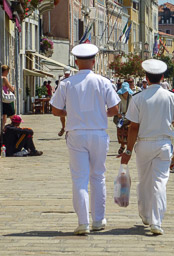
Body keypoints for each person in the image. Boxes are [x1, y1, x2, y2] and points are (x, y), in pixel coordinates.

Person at [51, 43, 120, 235]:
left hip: (76, 133)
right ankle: (98, 220)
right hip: (98, 132)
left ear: (75, 62)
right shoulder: (104, 82)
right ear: (94, 61)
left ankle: (83, 222)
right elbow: (114, 109)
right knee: (98, 176)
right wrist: (98, 114)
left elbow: (55, 110)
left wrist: (71, 112)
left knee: (79, 178)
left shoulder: (66, 83)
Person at [120, 59, 174, 235]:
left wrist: (127, 150)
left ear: (146, 78)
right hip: (163, 143)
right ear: (162, 77)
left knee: (144, 181)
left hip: (143, 144)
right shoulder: (172, 97)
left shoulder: (138, 98)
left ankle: (146, 215)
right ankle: (157, 221)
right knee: (159, 182)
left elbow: (133, 127)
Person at [114, 82, 133, 155]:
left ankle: (128, 148)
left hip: (129, 116)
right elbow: (116, 105)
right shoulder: (118, 96)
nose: (125, 93)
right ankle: (122, 145)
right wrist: (118, 113)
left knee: (128, 132)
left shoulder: (131, 97)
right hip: (120, 117)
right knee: (121, 132)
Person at [57, 67, 72, 137]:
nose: (67, 75)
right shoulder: (61, 80)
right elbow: (59, 89)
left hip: (70, 99)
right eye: (66, 74)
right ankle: (63, 127)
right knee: (62, 115)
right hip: (63, 99)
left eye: (68, 74)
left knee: (70, 115)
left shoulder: (72, 79)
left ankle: (68, 130)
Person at [1, 65, 16, 129]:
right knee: (13, 116)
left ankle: (3, 129)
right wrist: (13, 87)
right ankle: (15, 129)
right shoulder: (4, 78)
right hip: (6, 99)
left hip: (2, 100)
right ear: (6, 71)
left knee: (4, 116)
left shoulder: (0, 78)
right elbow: (11, 89)